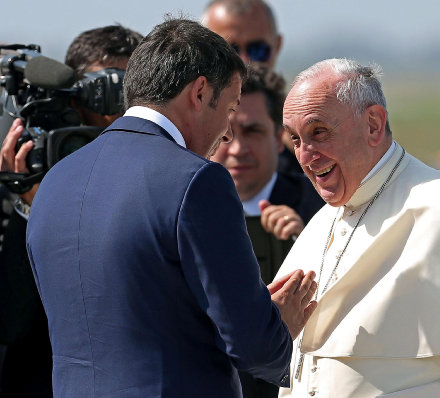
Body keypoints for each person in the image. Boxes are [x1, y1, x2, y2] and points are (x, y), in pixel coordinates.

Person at [26, 17, 318, 398]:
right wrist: (278, 324)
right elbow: (253, 345)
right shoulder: (198, 180)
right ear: (199, 92)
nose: (228, 133)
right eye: (230, 109)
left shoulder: (54, 180)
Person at [275, 58, 440, 397]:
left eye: (319, 132)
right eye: (295, 139)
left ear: (374, 124)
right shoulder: (322, 224)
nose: (305, 155)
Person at [0, 25, 143, 398]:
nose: (116, 109)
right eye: (103, 90)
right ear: (71, 96)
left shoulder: (162, 176)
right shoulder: (23, 174)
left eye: (131, 92)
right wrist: (31, 206)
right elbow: (11, 322)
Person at [211, 67, 324, 398]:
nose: (237, 149)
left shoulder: (323, 204)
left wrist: (310, 240)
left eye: (253, 131)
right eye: (227, 134)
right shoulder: (182, 208)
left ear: (280, 139)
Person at [202, 0, 302, 175]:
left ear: (277, 45)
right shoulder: (179, 134)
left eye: (258, 50)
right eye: (230, 50)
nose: (245, 61)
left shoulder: (303, 145)